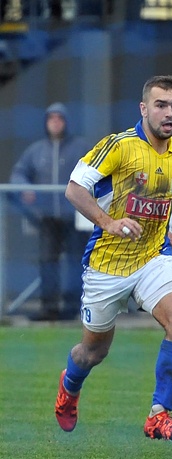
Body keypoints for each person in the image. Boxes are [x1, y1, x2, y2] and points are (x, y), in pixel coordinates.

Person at [55, 75, 172, 442]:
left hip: (152, 259)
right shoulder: (118, 146)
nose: (168, 112)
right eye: (160, 105)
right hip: (105, 266)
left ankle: (159, 415)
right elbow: (74, 189)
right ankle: (69, 387)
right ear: (144, 108)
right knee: (92, 352)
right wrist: (107, 222)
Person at [9, 102, 92, 321]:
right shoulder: (36, 150)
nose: (55, 122)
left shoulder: (80, 147)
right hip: (47, 218)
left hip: (75, 216)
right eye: (51, 118)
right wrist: (25, 188)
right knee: (48, 261)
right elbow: (19, 173)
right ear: (46, 122)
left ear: (66, 122)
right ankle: (50, 307)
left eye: (59, 118)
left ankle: (74, 307)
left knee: (77, 261)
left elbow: (96, 171)